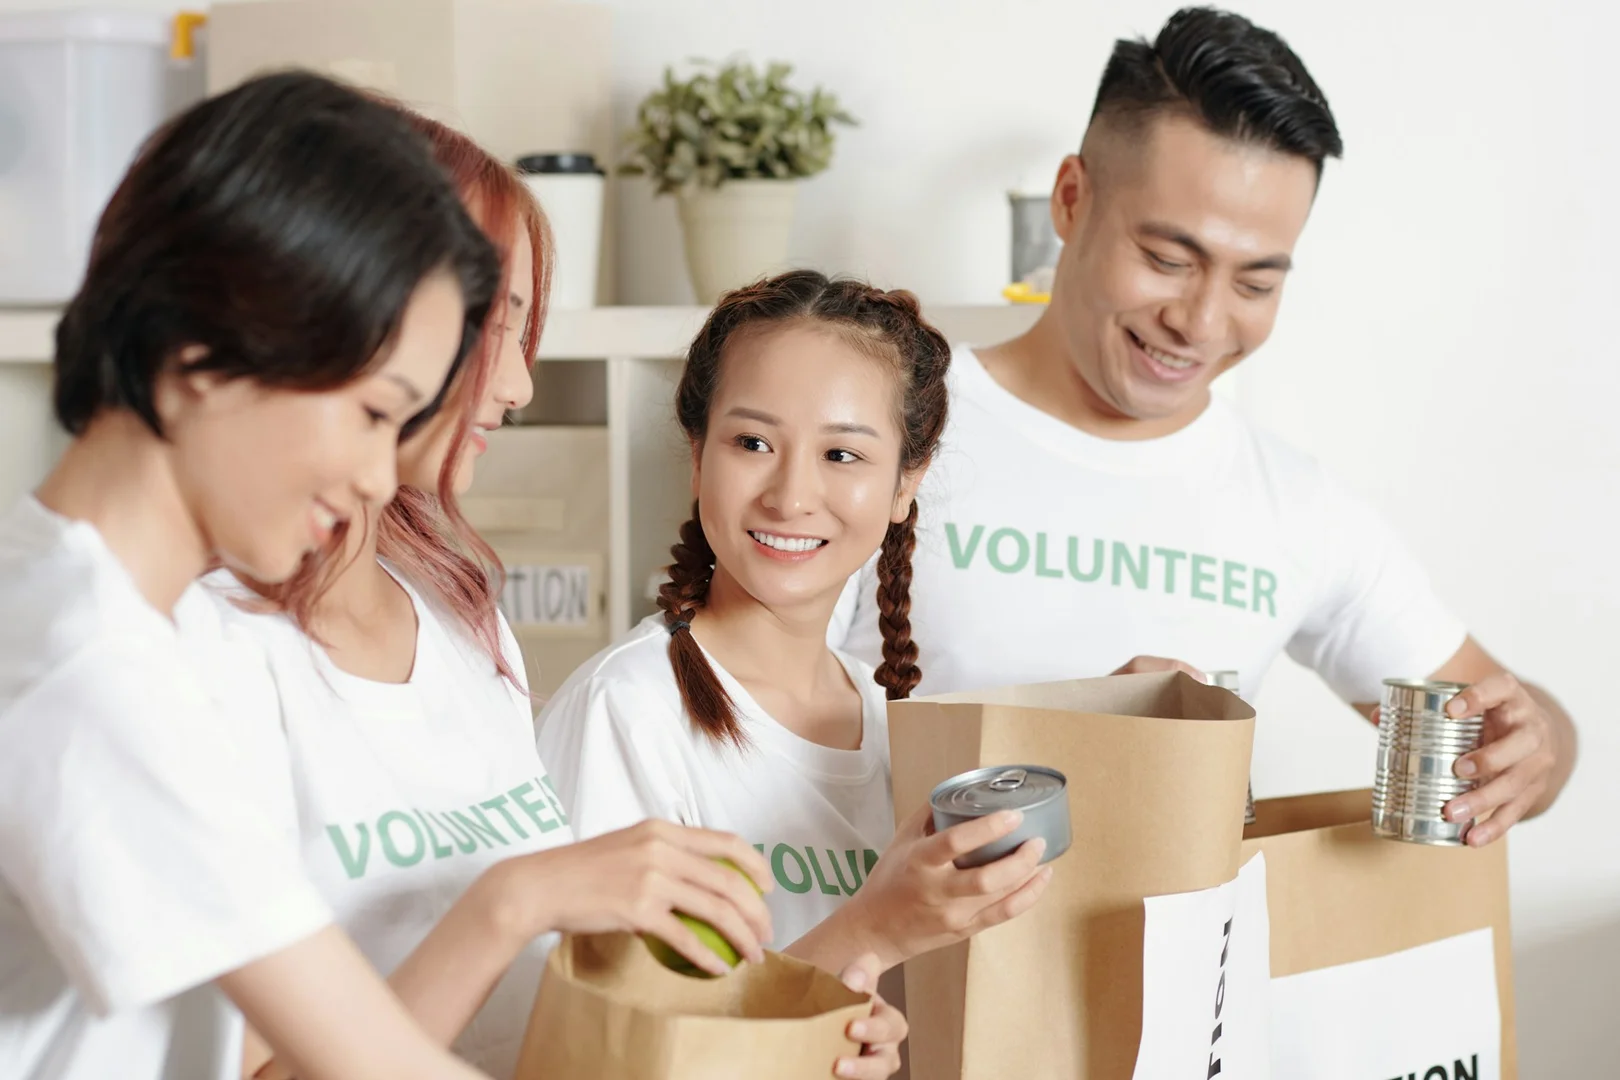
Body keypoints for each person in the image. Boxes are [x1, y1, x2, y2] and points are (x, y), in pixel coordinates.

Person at [181, 119, 904, 1080]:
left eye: (528, 331)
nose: (519, 384)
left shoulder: (461, 622)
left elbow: (560, 1034)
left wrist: (810, 1030)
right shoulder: (205, 656)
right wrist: (513, 902)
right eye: (495, 327)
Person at [829, 6, 1576, 846]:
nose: (1202, 320)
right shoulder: (876, 428)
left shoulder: (1295, 507)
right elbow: (733, 727)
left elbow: (1516, 716)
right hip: (889, 974)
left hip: (1179, 978)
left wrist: (1537, 743)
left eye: (1256, 284)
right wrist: (1089, 730)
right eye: (1168, 260)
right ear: (1071, 201)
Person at [0, 71, 508, 1080]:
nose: (378, 475)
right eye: (372, 411)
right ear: (203, 349)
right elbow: (374, 1066)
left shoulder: (93, 610)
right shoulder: (84, 665)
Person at [536, 270, 1053, 993]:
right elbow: (604, 1042)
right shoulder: (626, 710)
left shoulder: (895, 729)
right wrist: (872, 928)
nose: (790, 496)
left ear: (906, 484)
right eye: (752, 442)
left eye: (841, 455)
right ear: (697, 454)